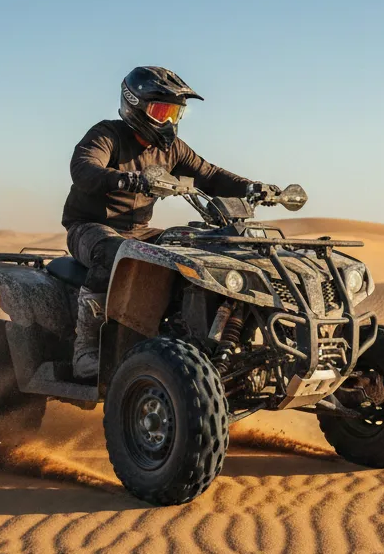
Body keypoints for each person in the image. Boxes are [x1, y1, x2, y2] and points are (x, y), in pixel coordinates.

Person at [63, 65, 278, 380]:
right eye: (161, 111)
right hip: (90, 228)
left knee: (199, 247)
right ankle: (86, 351)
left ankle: (200, 338)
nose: (168, 122)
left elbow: (211, 175)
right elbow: (83, 167)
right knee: (113, 252)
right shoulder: (108, 134)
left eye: (175, 114)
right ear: (134, 105)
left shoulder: (172, 149)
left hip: (140, 233)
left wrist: (251, 187)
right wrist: (125, 180)